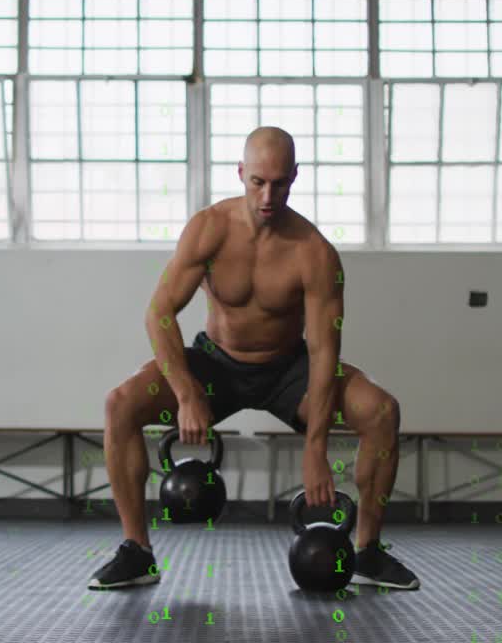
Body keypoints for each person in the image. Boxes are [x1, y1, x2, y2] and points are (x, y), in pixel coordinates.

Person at [88, 126, 420, 591]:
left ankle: (367, 551)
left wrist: (316, 446)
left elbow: (325, 350)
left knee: (382, 411)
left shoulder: (314, 253)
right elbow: (159, 314)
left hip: (288, 369)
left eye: (280, 183)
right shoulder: (210, 229)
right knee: (119, 404)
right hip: (215, 365)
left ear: (295, 178)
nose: (268, 195)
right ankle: (136, 551)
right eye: (258, 182)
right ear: (241, 174)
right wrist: (185, 393)